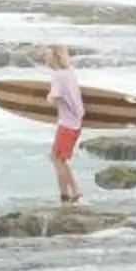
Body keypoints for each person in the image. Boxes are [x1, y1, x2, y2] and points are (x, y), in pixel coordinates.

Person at [43, 45, 86, 205]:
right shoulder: (70, 73)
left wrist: (48, 99)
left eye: (47, 55)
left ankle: (68, 195)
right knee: (58, 159)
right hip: (75, 124)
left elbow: (53, 97)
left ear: (56, 57)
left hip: (67, 124)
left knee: (57, 159)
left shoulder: (58, 76)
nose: (45, 59)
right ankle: (72, 193)